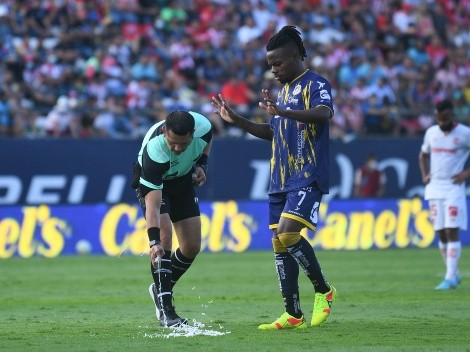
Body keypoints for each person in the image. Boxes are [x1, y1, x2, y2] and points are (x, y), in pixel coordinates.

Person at [212, 26, 336, 330]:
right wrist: (237, 120)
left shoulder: (314, 84)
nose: (273, 69)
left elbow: (324, 114)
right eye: (270, 64)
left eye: (277, 63)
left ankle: (324, 291)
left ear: (295, 56)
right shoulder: (282, 92)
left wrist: (285, 111)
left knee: (289, 234)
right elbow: (274, 132)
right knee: (279, 242)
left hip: (307, 172)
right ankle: (293, 313)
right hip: (280, 178)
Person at [131, 110, 212, 326]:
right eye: (173, 143)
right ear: (165, 132)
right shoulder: (155, 151)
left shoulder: (204, 127)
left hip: (183, 181)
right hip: (157, 185)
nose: (177, 148)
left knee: (192, 246)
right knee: (165, 238)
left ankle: (160, 287)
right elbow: (153, 205)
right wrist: (153, 242)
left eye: (183, 144)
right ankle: (167, 311)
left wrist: (202, 166)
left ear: (193, 134)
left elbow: (207, 142)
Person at [418, 99, 470, 290]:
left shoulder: (465, 133)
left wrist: (466, 173)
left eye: (445, 119)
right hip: (434, 187)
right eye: (439, 119)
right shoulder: (431, 133)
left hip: (453, 187)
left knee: (451, 229)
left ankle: (449, 278)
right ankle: (453, 275)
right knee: (440, 232)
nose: (442, 123)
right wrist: (425, 174)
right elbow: (423, 155)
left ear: (453, 116)